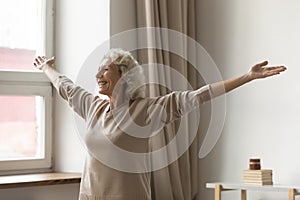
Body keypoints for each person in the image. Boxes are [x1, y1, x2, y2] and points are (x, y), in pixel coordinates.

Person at [34, 48, 286, 200]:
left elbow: (199, 95)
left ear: (125, 76)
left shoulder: (146, 110)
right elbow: (65, 86)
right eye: (97, 70)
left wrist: (248, 77)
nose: (98, 75)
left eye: (105, 69)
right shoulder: (93, 106)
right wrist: (46, 68)